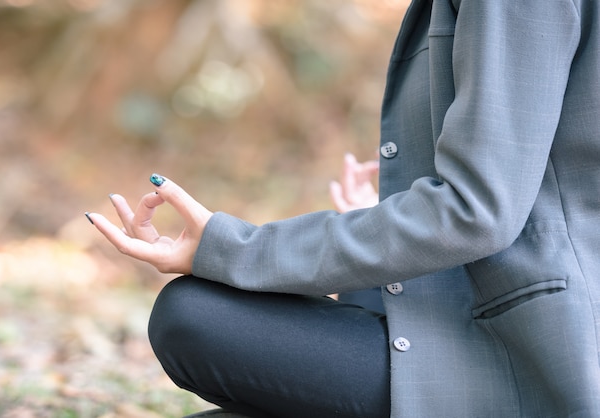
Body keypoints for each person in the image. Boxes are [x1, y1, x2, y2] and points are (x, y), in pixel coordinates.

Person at [86, 0, 600, 416]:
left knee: (192, 316)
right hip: (470, 321)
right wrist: (382, 227)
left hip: (532, 357)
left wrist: (233, 249)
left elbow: (477, 212)